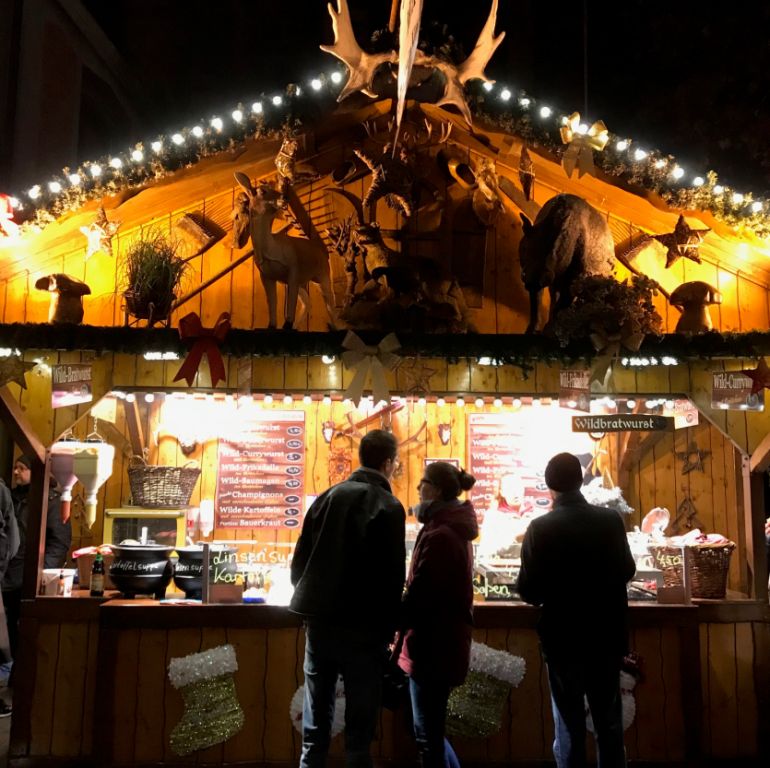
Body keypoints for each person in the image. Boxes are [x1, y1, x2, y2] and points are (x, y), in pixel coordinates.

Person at [290, 429, 406, 768]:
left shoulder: (328, 496)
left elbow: (300, 563)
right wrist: (390, 627)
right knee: (359, 729)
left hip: (321, 624)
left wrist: (312, 603)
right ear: (388, 463)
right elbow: (392, 577)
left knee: (315, 723)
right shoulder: (389, 506)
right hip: (365, 629)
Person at [516, 452, 636, 768]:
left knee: (569, 726)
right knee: (609, 724)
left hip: (563, 640)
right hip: (606, 638)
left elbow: (529, 591)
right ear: (580, 481)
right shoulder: (611, 520)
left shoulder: (540, 528)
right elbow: (627, 570)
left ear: (549, 486)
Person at [398, 461, 478, 768]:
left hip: (432, 647)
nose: (419, 488)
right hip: (440, 645)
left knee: (427, 736)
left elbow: (422, 596)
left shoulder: (441, 535)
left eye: (424, 482)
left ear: (438, 490)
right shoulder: (447, 527)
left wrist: (394, 618)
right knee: (428, 731)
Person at [1, 454, 71, 684]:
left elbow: (59, 543)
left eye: (22, 468)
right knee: (6, 628)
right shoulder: (11, 498)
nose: (16, 472)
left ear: (36, 472)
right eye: (15, 467)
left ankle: (17, 679)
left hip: (29, 576)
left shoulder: (51, 502)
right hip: (7, 574)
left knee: (24, 630)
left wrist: (41, 574)